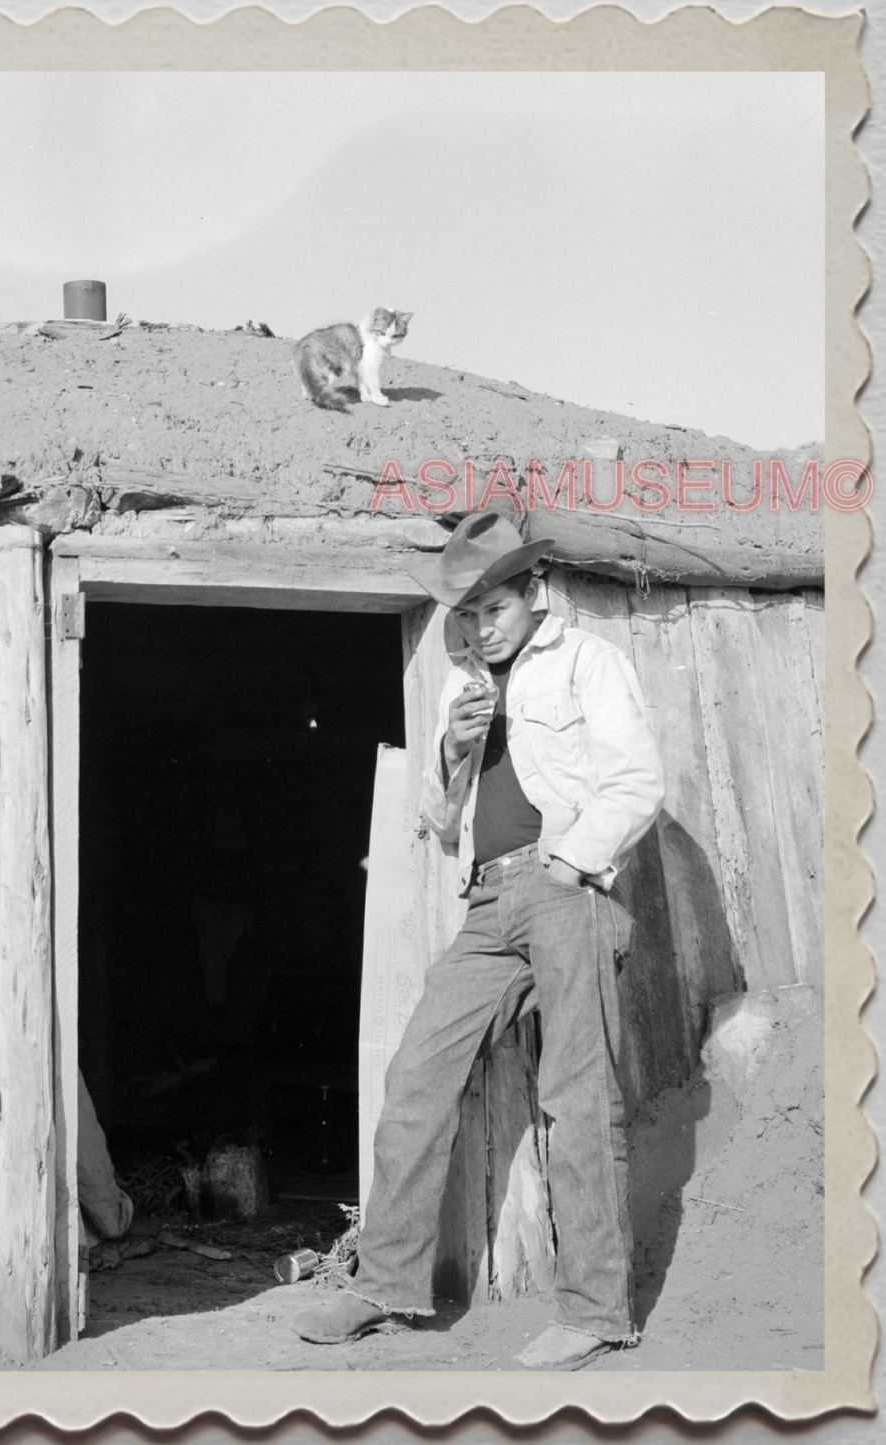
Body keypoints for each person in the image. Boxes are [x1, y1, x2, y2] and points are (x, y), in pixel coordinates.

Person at [295, 511, 665, 1370]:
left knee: (575, 1094)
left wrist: (572, 866)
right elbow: (434, 819)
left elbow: (636, 778)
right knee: (415, 1072)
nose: (476, 628)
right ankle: (386, 1285)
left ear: (533, 594)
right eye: (464, 614)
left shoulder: (585, 661)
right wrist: (454, 757)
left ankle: (595, 1310)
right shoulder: (459, 687)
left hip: (562, 886)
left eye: (490, 608)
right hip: (486, 902)